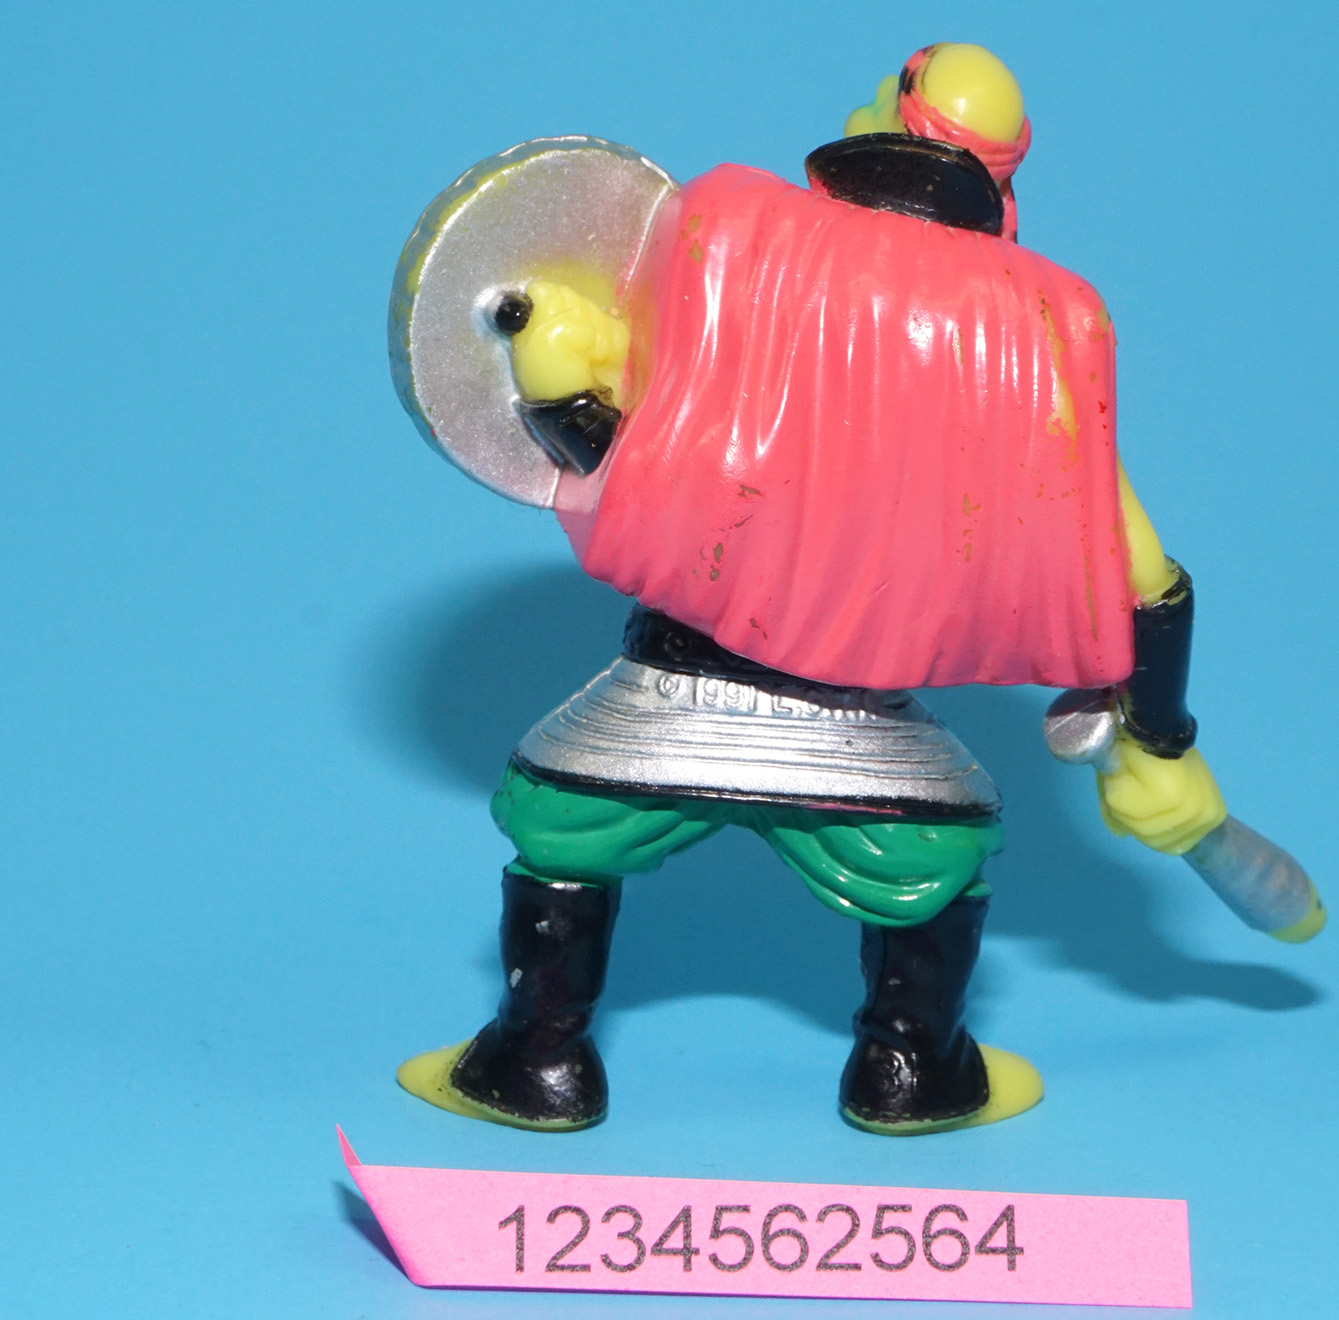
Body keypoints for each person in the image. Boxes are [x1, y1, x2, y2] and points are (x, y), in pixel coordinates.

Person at [398, 43, 1225, 1136]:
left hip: (676, 687)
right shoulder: (1041, 333)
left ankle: (535, 1058)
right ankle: (910, 1069)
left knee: (558, 825)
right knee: (940, 857)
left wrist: (551, 373)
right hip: (856, 728)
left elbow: (610, 448)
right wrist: (1160, 743)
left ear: (889, 115)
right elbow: (1145, 582)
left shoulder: (729, 240)